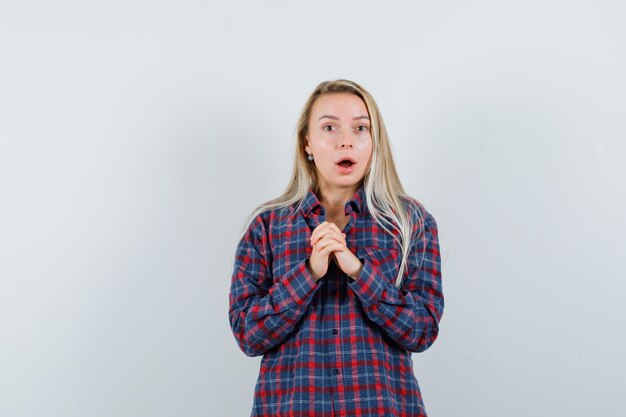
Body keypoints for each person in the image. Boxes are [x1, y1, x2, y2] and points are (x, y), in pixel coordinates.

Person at [228, 79, 444, 417]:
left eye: (361, 128)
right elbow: (247, 334)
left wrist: (358, 271)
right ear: (307, 144)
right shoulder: (267, 226)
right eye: (330, 127)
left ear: (374, 142)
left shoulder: (411, 222)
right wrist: (309, 272)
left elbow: (422, 330)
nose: (346, 140)